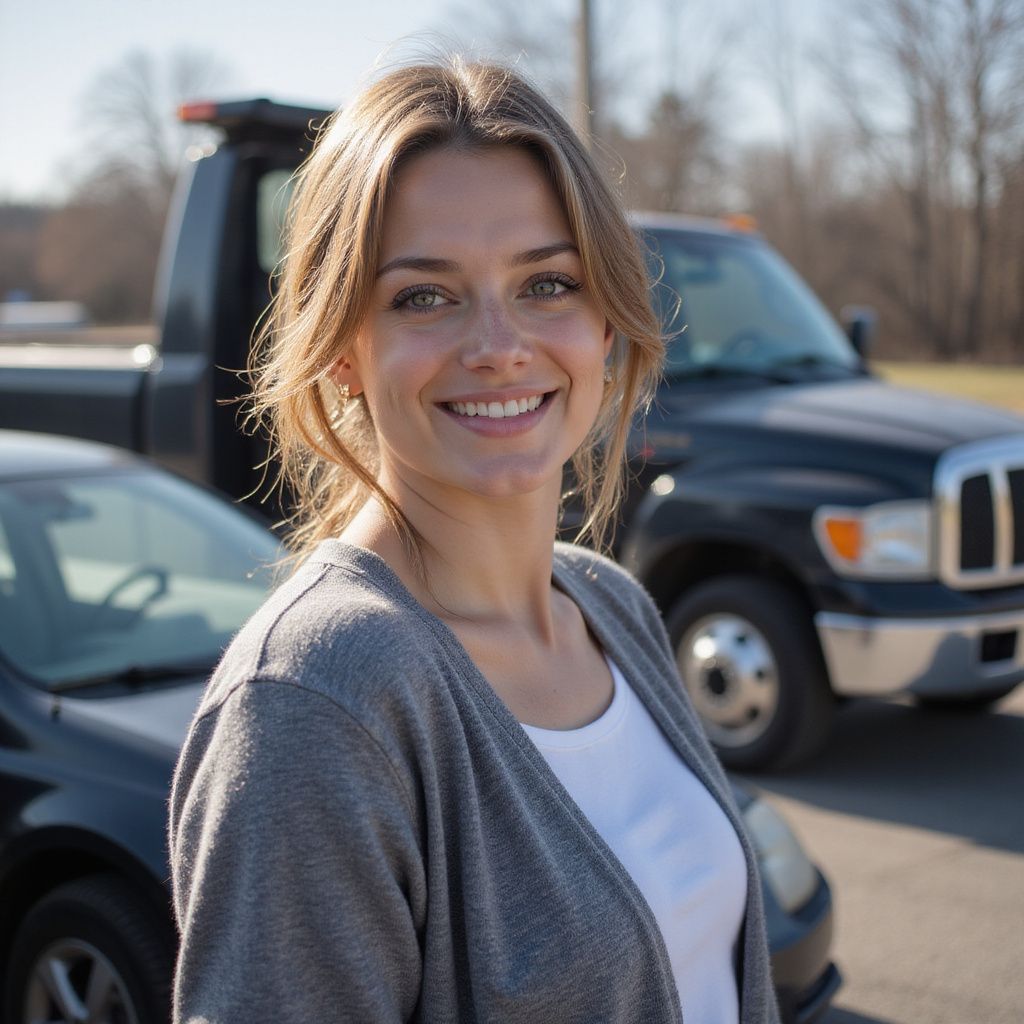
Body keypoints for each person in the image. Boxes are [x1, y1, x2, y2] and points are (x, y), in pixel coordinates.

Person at [169, 56, 779, 1024]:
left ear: (605, 320)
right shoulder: (315, 701)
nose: (498, 342)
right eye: (424, 295)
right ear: (341, 345)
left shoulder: (609, 604)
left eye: (547, 282)